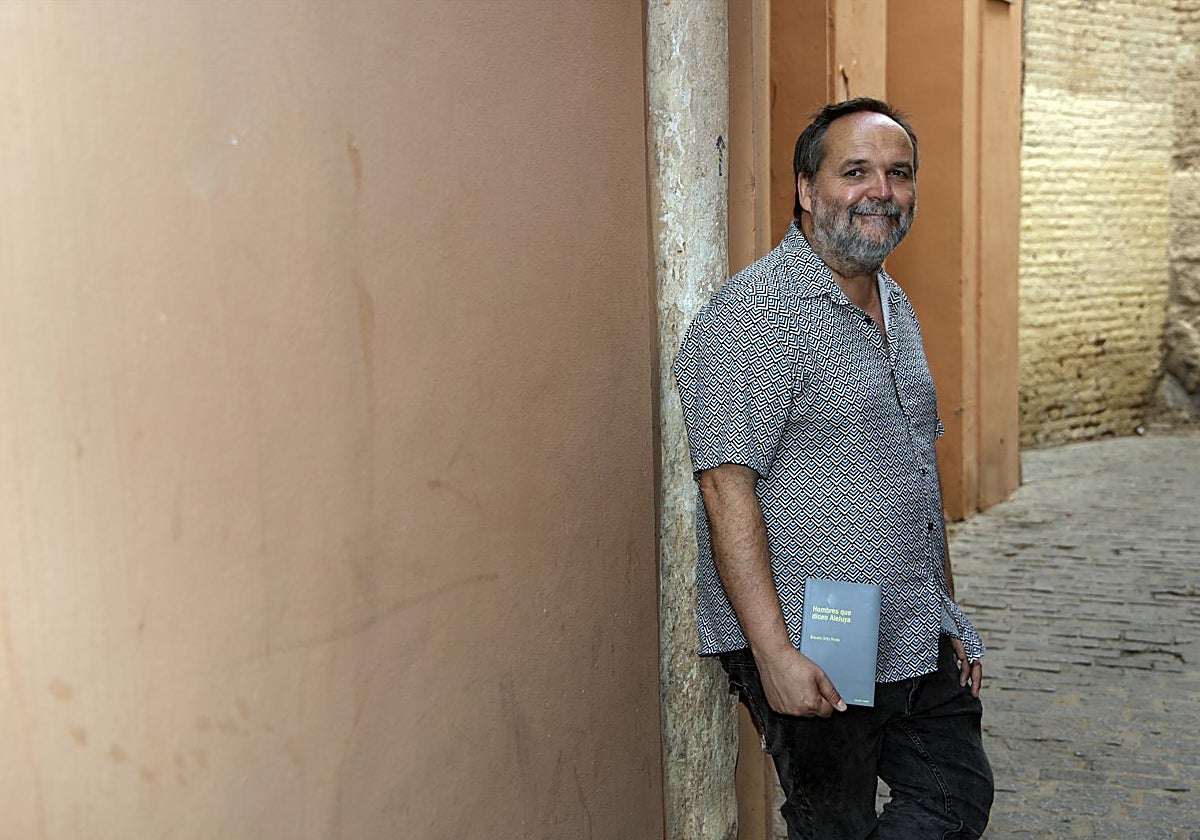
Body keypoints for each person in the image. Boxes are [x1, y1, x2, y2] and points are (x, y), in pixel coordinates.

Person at [673, 98, 994, 839]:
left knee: (954, 797)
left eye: (899, 173)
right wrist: (775, 654)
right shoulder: (755, 314)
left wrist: (946, 607)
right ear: (806, 189)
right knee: (834, 824)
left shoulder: (894, 300)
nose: (881, 190)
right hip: (818, 639)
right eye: (856, 171)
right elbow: (726, 489)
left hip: (911, 626)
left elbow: (918, 467)